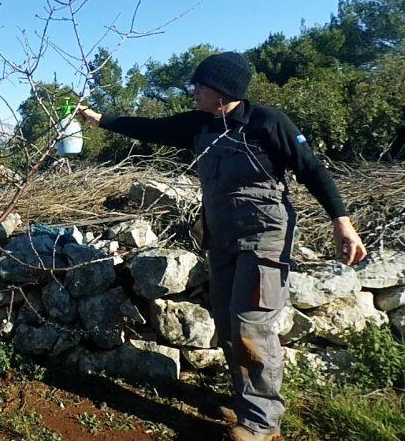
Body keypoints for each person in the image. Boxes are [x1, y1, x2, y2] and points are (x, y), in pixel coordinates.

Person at [76, 51, 366, 441]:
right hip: (222, 237)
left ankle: (263, 425)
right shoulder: (200, 124)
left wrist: (342, 223)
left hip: (265, 237)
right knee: (229, 325)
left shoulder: (268, 123)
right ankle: (248, 405)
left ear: (223, 90)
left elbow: (312, 170)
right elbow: (150, 128)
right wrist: (100, 119)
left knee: (251, 325)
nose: (193, 90)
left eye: (200, 85)